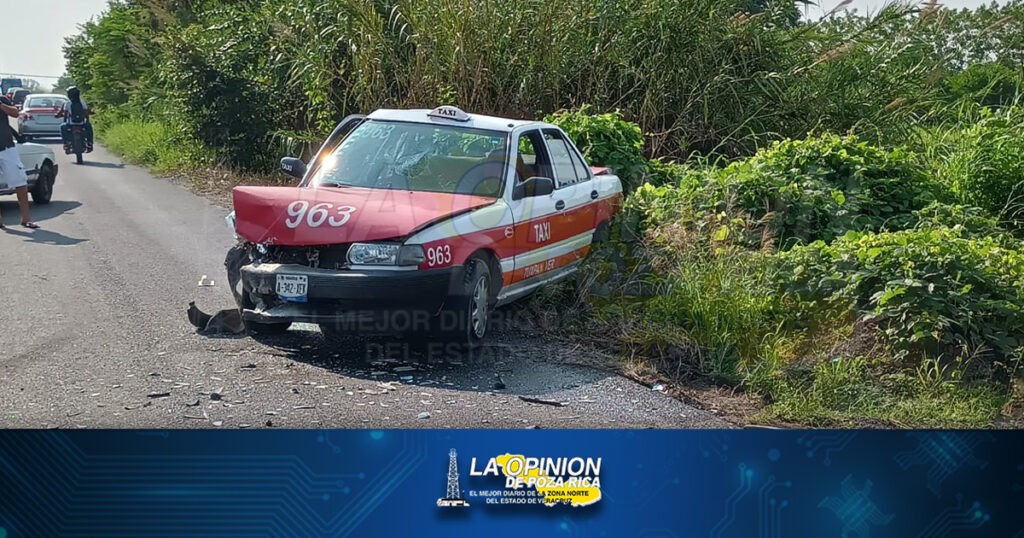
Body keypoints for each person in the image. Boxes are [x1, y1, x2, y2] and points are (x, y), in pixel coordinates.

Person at [0, 95, 39, 229]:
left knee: (20, 182)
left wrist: (1, 105)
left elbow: (15, 113)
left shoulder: (2, 100)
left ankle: (26, 219)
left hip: (6, 148)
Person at [56, 86, 93, 153]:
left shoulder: (67, 103)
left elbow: (65, 115)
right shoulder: (82, 102)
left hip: (70, 124)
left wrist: (65, 120)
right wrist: (87, 121)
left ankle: (65, 144)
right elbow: (86, 113)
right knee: (89, 126)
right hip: (82, 124)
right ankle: (90, 143)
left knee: (62, 126)